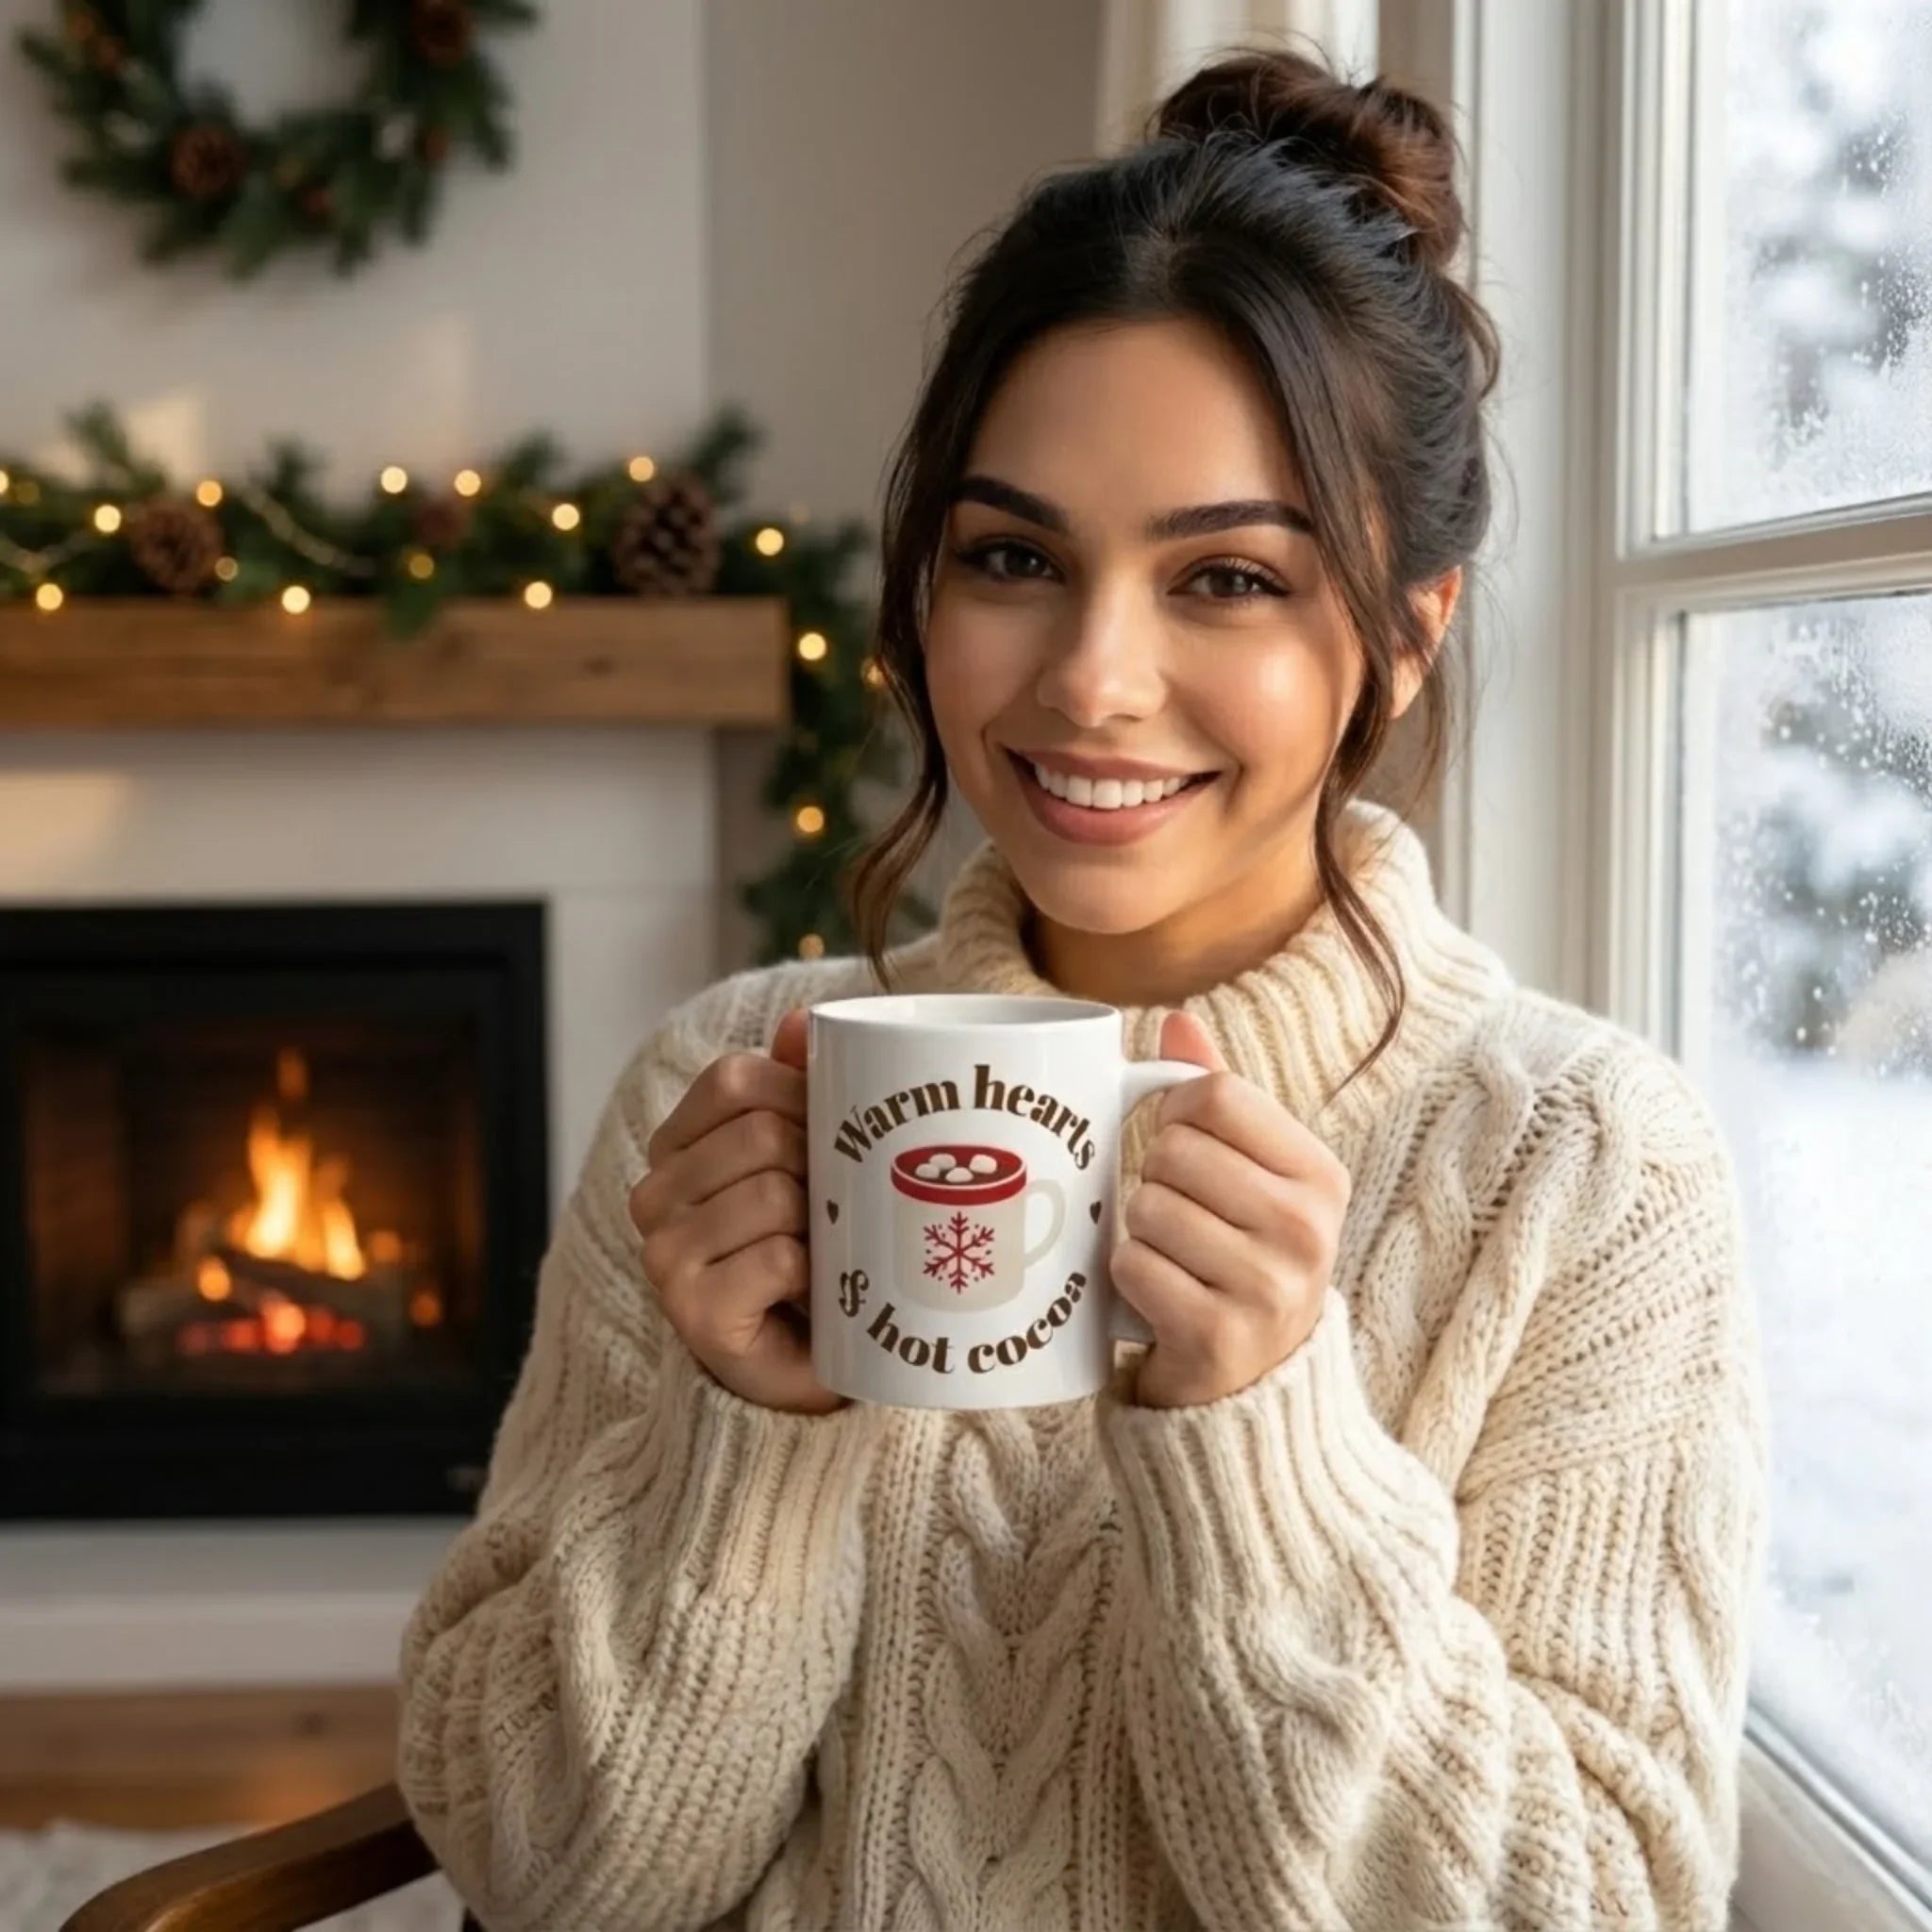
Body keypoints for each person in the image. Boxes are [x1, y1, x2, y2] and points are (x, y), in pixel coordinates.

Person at [396, 43, 1767, 1932]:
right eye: (1014, 557)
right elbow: (543, 1874)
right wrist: (747, 1450)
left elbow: (1591, 1908)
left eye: (1225, 581)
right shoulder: (720, 1086)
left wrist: (1264, 1443)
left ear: (1398, 635)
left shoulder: (1582, 1171)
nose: (1089, 681)